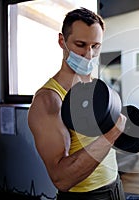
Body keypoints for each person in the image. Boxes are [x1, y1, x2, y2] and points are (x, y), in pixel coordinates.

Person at [28, 8, 127, 200]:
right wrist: (113, 133)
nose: (88, 55)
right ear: (61, 41)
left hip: (115, 187)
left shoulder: (95, 88)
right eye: (80, 44)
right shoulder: (49, 100)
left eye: (95, 46)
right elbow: (61, 179)